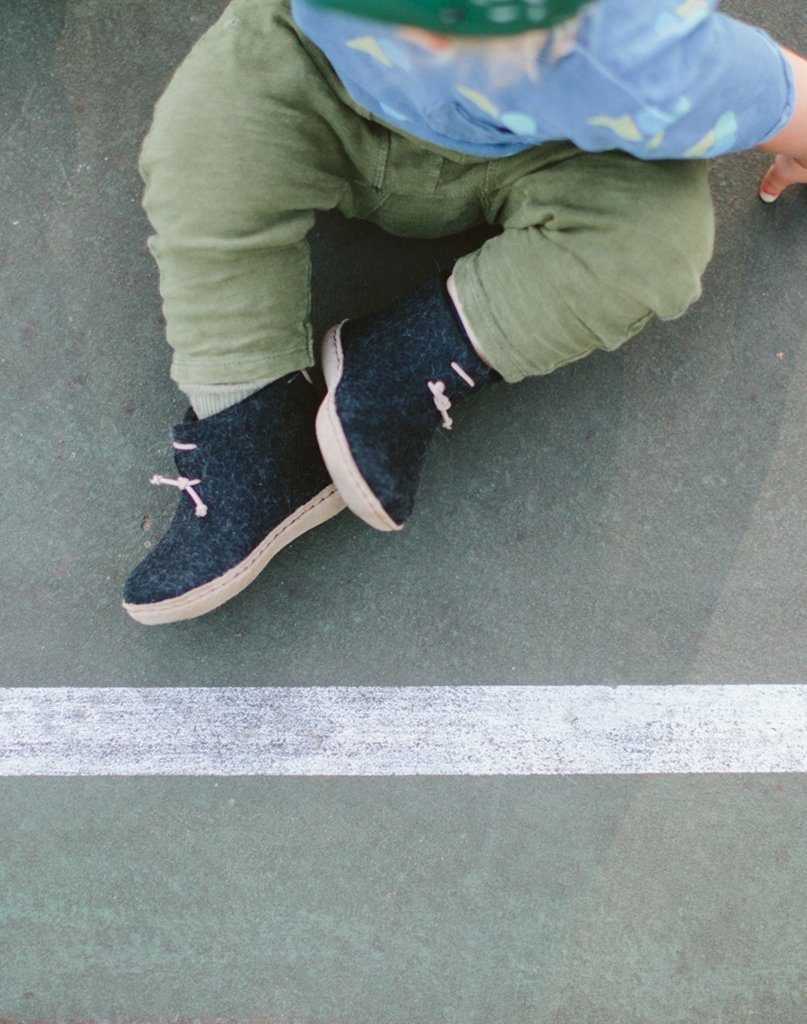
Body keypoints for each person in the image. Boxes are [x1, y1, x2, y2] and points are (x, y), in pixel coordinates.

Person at [122, 0, 807, 625]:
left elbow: (709, 73)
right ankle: (251, 416)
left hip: (556, 135)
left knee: (653, 240)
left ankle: (406, 357)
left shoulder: (625, 43)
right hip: (320, 71)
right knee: (203, 145)